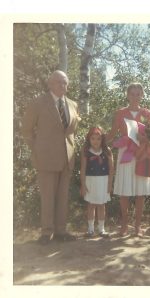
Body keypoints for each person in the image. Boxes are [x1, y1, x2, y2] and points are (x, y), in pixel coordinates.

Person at [22, 70, 80, 245]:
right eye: (58, 82)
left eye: (65, 83)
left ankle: (61, 231)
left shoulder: (72, 104)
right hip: (46, 158)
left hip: (66, 158)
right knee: (48, 197)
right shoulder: (37, 103)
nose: (62, 85)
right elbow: (26, 130)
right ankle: (46, 233)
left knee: (63, 197)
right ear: (50, 84)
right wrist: (37, 149)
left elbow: (70, 132)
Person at [106, 83, 150, 237]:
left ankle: (138, 227)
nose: (135, 97)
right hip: (126, 153)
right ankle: (124, 225)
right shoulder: (120, 113)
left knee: (141, 191)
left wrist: (146, 138)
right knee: (125, 192)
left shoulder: (147, 114)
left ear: (142, 95)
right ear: (127, 95)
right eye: (132, 94)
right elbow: (112, 133)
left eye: (138, 94)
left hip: (142, 154)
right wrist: (97, 142)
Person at [80, 127, 113, 238]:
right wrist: (83, 185)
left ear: (102, 139)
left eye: (98, 139)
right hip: (90, 181)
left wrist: (109, 184)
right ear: (89, 139)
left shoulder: (107, 151)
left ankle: (101, 229)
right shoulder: (86, 152)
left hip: (103, 181)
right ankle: (90, 229)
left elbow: (111, 169)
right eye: (93, 138)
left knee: (101, 205)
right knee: (91, 205)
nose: (95, 141)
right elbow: (83, 169)